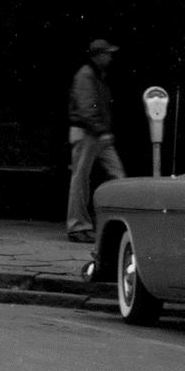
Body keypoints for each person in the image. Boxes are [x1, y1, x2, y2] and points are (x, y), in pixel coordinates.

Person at [66, 39, 124, 242]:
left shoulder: (96, 75)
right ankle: (77, 226)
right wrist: (101, 130)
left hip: (96, 132)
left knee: (117, 175)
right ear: (98, 55)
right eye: (107, 53)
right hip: (88, 132)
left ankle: (109, 222)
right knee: (80, 180)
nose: (110, 57)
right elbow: (86, 107)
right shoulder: (86, 75)